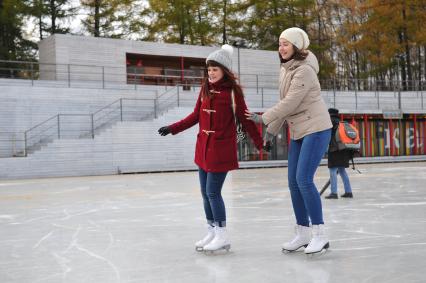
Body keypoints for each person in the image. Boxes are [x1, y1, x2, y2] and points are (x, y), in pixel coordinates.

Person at [158, 44, 270, 253]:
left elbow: (246, 122)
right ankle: (211, 230)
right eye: (208, 69)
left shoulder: (233, 94)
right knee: (204, 192)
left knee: (212, 192)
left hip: (221, 151)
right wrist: (172, 128)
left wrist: (260, 142)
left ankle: (222, 234)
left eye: (214, 69)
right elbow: (195, 117)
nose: (210, 73)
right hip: (203, 149)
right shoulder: (205, 89)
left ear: (224, 71)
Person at [245, 27, 332, 254]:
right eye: (279, 43)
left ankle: (319, 234)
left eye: (286, 43)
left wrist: (262, 118)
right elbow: (284, 104)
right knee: (293, 183)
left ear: (297, 46)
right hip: (299, 131)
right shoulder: (285, 70)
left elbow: (290, 103)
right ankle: (302, 233)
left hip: (316, 128)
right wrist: (270, 133)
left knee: (303, 179)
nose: (281, 48)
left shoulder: (304, 71)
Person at [325, 108, 353, 199]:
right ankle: (348, 192)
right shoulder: (341, 123)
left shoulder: (330, 122)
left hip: (334, 150)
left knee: (332, 170)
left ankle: (334, 193)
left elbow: (326, 136)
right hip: (344, 150)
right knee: (342, 170)